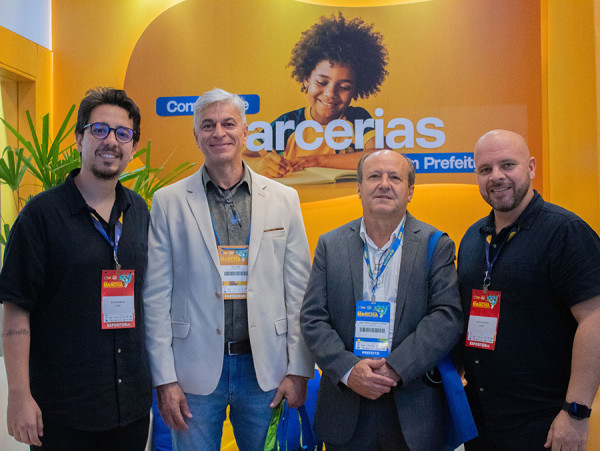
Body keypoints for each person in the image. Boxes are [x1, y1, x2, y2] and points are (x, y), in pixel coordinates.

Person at [143, 88, 314, 450]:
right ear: (196, 135)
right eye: (208, 125)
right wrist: (165, 379)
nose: (218, 132)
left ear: (245, 132)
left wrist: (299, 369)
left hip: (265, 371)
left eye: (228, 123)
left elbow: (300, 291)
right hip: (192, 374)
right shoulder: (168, 202)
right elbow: (156, 297)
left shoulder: (284, 199)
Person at [0, 87, 152, 450]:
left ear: (133, 147)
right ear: (80, 138)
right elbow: (17, 308)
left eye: (123, 133)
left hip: (129, 408)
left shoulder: (140, 212)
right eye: (100, 129)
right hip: (62, 410)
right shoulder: (40, 216)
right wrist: (19, 394)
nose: (111, 141)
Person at [300, 149, 463, 450]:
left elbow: (446, 317)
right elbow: (313, 318)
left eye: (395, 178)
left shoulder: (436, 244)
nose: (384, 184)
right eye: (374, 176)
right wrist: (349, 370)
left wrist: (396, 368)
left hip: (413, 408)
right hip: (345, 406)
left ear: (410, 191)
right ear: (359, 187)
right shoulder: (330, 245)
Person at [458, 129, 600, 450]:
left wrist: (576, 412)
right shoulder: (473, 238)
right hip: (481, 421)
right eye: (485, 169)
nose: (497, 176)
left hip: (545, 423)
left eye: (508, 165)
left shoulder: (566, 232)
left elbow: (595, 319)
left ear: (531, 167)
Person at [246, 13, 388, 178]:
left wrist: (317, 160)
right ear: (306, 79)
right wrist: (259, 165)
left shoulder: (358, 119)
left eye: (344, 87)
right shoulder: (288, 124)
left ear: (356, 89)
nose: (330, 94)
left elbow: (382, 157)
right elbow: (241, 158)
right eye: (321, 82)